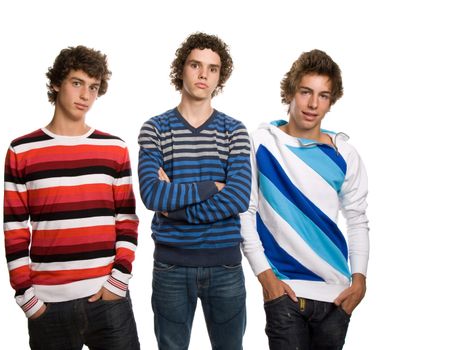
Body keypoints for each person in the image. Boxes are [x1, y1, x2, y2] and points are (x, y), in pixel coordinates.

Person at [3, 45, 140, 350]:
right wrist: (27, 298)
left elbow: (127, 221)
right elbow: (14, 229)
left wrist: (118, 281)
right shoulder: (22, 150)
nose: (85, 96)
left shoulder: (114, 149)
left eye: (93, 87)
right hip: (48, 307)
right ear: (56, 83)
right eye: (77, 83)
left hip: (108, 301)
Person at [241, 49, 369, 350]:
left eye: (323, 96)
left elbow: (357, 218)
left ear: (331, 101)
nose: (313, 104)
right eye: (306, 92)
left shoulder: (344, 154)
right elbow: (245, 211)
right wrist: (266, 277)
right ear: (290, 92)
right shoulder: (260, 143)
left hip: (337, 298)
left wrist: (359, 280)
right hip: (285, 293)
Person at [137, 32, 251, 350]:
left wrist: (174, 208)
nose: (203, 74)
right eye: (196, 65)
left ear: (219, 77)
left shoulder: (235, 130)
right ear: (181, 69)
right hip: (171, 267)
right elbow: (152, 195)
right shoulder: (155, 128)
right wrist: (208, 187)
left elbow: (239, 196)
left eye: (212, 69)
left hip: (225, 265)